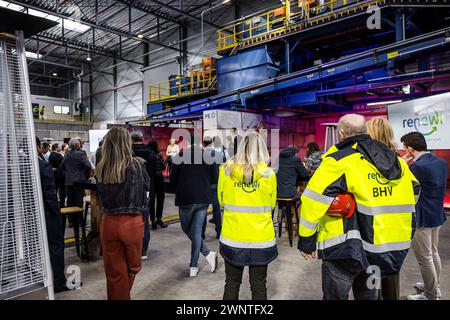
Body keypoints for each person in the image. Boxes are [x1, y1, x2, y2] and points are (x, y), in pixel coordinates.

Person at [298, 114, 420, 300]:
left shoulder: (338, 160)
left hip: (343, 248)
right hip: (379, 247)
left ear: (341, 134)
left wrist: (306, 240)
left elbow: (312, 200)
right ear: (365, 131)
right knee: (369, 296)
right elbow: (414, 190)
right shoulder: (398, 161)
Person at [218, 132, 277, 300]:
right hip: (261, 238)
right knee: (259, 284)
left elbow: (221, 201)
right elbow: (272, 204)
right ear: (262, 149)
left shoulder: (226, 170)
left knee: (231, 283)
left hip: (233, 237)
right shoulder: (268, 174)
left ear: (241, 147)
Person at [96, 127, 150, 300]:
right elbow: (145, 194)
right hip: (132, 222)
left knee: (114, 274)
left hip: (108, 222)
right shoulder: (137, 165)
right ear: (126, 143)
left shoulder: (102, 168)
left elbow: (100, 196)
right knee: (133, 268)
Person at [401, 132, 448, 300]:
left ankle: (430, 294)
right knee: (433, 253)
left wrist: (404, 167)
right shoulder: (441, 162)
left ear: (410, 149)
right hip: (437, 214)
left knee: (425, 257)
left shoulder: (417, 167)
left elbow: (403, 188)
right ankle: (435, 286)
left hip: (422, 217)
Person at [170, 135, 218, 278]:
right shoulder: (209, 156)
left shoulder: (180, 156)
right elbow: (214, 179)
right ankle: (200, 260)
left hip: (186, 199)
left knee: (187, 229)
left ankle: (196, 264)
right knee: (196, 232)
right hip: (203, 199)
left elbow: (172, 181)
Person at [366, 117, 402, 300]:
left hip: (372, 229)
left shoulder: (364, 161)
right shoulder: (400, 162)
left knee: (372, 281)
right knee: (391, 279)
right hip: (395, 232)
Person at [36, 137, 74, 293]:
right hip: (48, 212)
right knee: (56, 245)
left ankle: (43, 277)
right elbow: (50, 194)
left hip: (33, 214)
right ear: (38, 146)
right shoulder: (43, 165)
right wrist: (57, 213)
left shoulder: (23, 165)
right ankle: (58, 282)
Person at [131, 131, 157, 260]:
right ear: (142, 139)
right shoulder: (151, 153)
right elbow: (155, 172)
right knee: (145, 221)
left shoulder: (128, 153)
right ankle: (143, 251)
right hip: (147, 189)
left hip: (131, 190)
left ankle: (132, 250)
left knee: (131, 220)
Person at [61, 138, 92, 236]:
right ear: (78, 145)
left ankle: (70, 221)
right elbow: (88, 166)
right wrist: (83, 173)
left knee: (70, 201)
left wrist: (68, 174)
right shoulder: (81, 154)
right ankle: (79, 221)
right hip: (79, 181)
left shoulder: (67, 154)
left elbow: (62, 166)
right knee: (78, 201)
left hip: (68, 181)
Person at [204, 136, 227, 239]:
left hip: (204, 185)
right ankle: (219, 231)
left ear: (204, 144)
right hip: (216, 184)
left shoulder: (201, 155)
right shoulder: (219, 154)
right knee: (217, 209)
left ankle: (201, 233)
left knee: (203, 210)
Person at [148, 140, 167, 231]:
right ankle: (159, 218)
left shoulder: (148, 155)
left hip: (150, 179)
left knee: (151, 200)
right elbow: (163, 167)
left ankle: (153, 221)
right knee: (160, 198)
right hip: (159, 178)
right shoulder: (159, 155)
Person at [48, 143, 66, 208]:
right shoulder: (59, 155)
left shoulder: (50, 155)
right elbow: (64, 164)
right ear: (55, 148)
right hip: (60, 176)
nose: (60, 148)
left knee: (55, 190)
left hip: (54, 175)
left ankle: (55, 204)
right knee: (62, 191)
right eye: (58, 147)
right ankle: (62, 204)